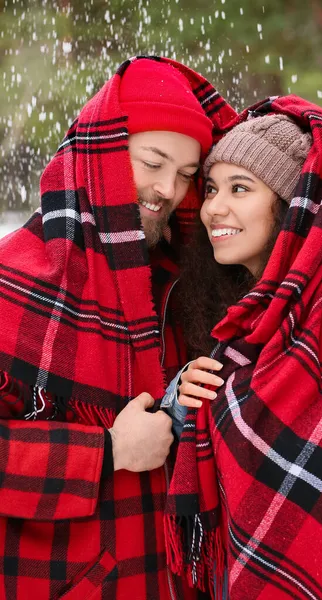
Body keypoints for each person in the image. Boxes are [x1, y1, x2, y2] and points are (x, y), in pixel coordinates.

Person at [0, 56, 237, 599]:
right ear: (100, 157)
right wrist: (105, 451)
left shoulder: (183, 286)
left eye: (184, 175)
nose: (166, 191)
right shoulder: (13, 282)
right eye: (152, 162)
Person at [164, 98, 322, 599]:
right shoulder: (243, 312)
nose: (213, 208)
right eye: (210, 188)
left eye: (240, 188)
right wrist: (179, 400)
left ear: (291, 206)